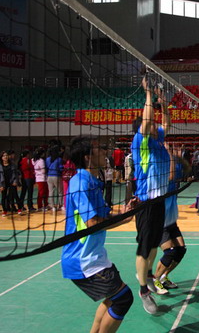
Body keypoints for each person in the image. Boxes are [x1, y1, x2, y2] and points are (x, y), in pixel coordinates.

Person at [61, 135, 138, 332]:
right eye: (99, 148)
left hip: (95, 255)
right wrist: (122, 219)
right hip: (82, 258)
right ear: (87, 157)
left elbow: (103, 215)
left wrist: (125, 213)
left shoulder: (93, 181)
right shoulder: (80, 183)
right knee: (123, 298)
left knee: (115, 297)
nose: (105, 151)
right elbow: (93, 223)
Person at [131, 76, 171, 313]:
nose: (156, 126)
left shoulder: (158, 141)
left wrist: (163, 102)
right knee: (144, 249)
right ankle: (143, 289)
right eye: (151, 125)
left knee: (154, 244)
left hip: (159, 202)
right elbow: (148, 121)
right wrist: (149, 94)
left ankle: (147, 275)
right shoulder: (141, 142)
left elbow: (166, 119)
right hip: (146, 203)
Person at [153, 143, 191, 292]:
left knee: (181, 250)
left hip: (171, 219)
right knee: (170, 252)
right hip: (159, 220)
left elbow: (187, 170)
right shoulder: (159, 171)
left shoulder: (173, 165)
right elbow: (170, 175)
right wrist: (169, 153)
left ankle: (163, 277)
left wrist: (178, 156)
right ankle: (154, 281)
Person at [46, 146, 64, 212]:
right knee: (60, 191)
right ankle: (61, 205)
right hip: (56, 176)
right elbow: (60, 168)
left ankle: (52, 206)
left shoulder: (47, 159)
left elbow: (47, 167)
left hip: (49, 176)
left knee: (51, 192)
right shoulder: (59, 159)